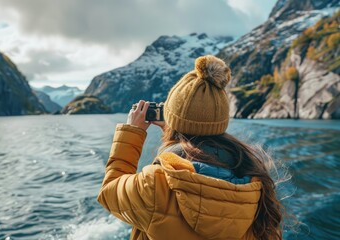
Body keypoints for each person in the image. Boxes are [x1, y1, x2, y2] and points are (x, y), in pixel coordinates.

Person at [97, 55, 283, 239]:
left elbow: (109, 193)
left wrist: (132, 132)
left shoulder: (154, 184)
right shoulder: (257, 184)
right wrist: (174, 136)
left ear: (173, 120)